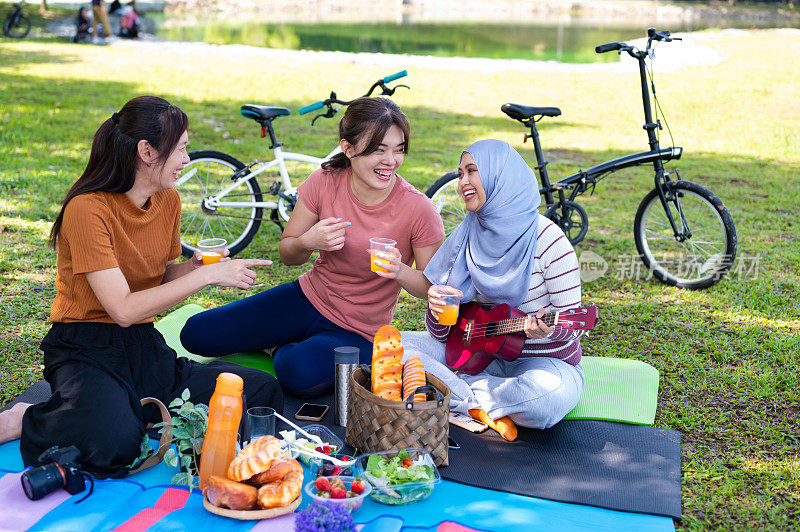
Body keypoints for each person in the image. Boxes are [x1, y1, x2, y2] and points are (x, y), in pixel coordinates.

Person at [0, 96, 282, 478]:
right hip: (86, 346)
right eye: (181, 148)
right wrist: (206, 277)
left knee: (258, 391)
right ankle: (32, 417)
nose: (186, 158)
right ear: (146, 151)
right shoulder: (87, 210)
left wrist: (194, 267)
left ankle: (125, 404)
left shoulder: (167, 200)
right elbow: (123, 308)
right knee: (115, 442)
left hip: (143, 344)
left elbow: (161, 277)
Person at [180, 97, 445, 398]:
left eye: (398, 150)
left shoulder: (419, 209)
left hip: (356, 330)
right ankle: (281, 334)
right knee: (196, 334)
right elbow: (288, 253)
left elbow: (430, 287)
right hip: (306, 298)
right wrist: (309, 241)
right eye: (379, 149)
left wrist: (398, 271)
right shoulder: (324, 180)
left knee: (298, 375)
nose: (391, 161)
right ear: (348, 149)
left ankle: (280, 343)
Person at [401, 139, 586, 441]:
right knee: (396, 346)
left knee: (546, 400)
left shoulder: (549, 240)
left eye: (472, 171)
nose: (462, 182)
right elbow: (441, 333)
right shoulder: (468, 234)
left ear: (500, 176)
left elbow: (573, 325)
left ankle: (456, 393)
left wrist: (547, 330)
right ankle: (479, 399)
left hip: (543, 363)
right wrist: (436, 309)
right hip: (479, 356)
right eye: (460, 173)